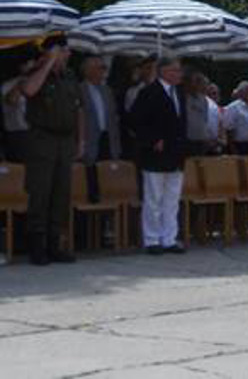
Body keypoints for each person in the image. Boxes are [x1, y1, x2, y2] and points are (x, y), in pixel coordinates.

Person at [20, 36, 81, 265]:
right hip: (42, 139)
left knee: (61, 194)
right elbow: (28, 90)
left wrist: (80, 139)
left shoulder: (70, 76)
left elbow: (78, 109)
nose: (67, 55)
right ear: (49, 52)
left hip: (65, 141)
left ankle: (55, 245)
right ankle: (37, 247)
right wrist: (47, 63)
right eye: (63, 51)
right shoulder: (36, 72)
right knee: (41, 192)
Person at [130, 57, 188, 255]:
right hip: (155, 154)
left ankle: (169, 238)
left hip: (176, 153)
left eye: (179, 70)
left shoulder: (179, 93)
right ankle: (152, 238)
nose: (179, 74)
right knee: (154, 198)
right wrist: (153, 139)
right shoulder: (148, 93)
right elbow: (135, 121)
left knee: (172, 199)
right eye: (174, 70)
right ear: (163, 71)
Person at [80, 55, 121, 203]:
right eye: (100, 68)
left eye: (104, 68)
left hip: (107, 140)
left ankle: (107, 222)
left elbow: (114, 119)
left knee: (108, 181)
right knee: (90, 181)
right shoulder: (80, 90)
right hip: (89, 141)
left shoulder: (107, 91)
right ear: (88, 71)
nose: (104, 71)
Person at [2, 57, 36, 163]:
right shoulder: (8, 84)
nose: (31, 65)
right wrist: (21, 84)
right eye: (27, 63)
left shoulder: (38, 80)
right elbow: (11, 100)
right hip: (18, 132)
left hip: (36, 132)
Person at [184, 73, 219, 156]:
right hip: (188, 139)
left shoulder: (204, 100)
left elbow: (205, 119)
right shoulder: (184, 98)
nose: (202, 86)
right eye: (198, 83)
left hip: (202, 139)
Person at [224, 81, 248, 155]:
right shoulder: (233, 107)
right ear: (241, 93)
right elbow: (229, 129)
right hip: (240, 146)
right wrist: (233, 149)